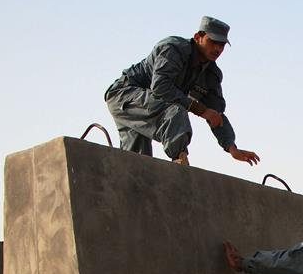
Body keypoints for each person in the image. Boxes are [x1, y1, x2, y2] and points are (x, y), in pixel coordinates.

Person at [104, 16, 259, 167]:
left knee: (137, 165)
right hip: (124, 95)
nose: (218, 49)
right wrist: (200, 109)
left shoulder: (211, 74)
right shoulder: (174, 49)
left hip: (149, 106)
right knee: (175, 111)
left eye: (222, 45)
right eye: (213, 42)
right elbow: (161, 87)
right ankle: (180, 160)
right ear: (198, 37)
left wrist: (232, 148)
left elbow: (216, 115)